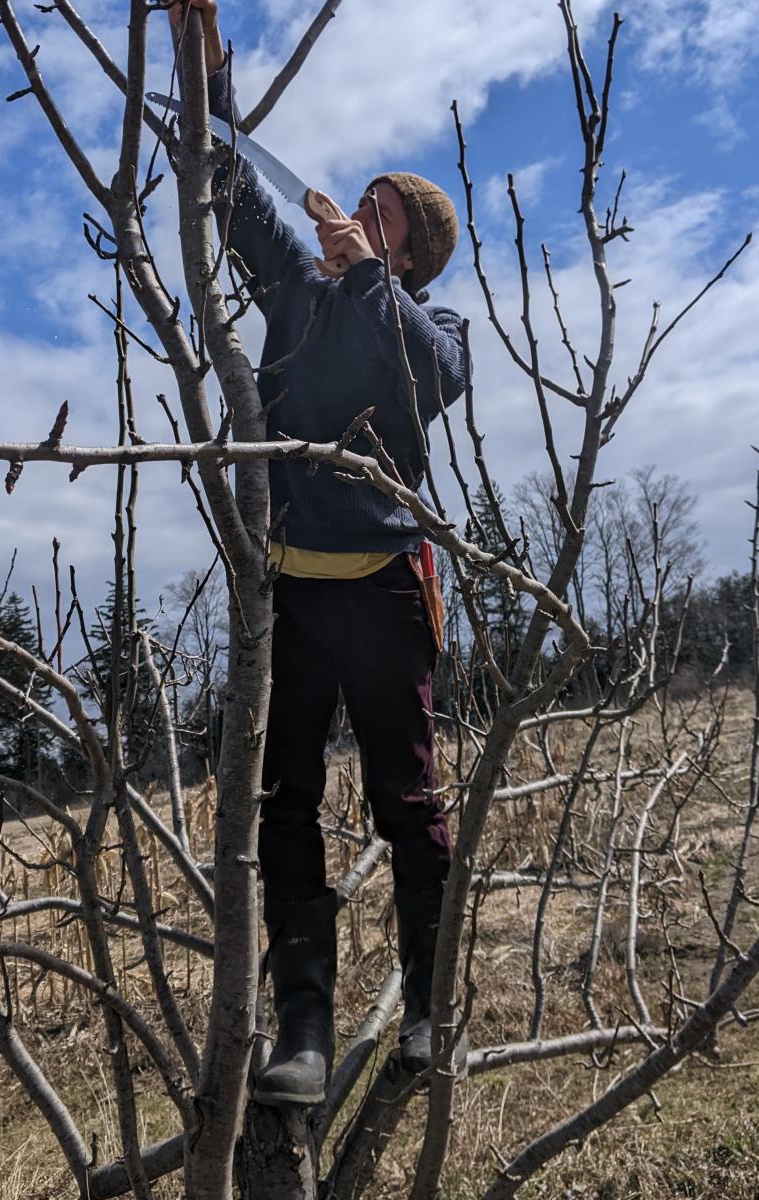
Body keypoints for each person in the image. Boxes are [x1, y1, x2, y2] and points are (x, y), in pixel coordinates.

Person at [169, 0, 467, 1106]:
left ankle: (433, 1009)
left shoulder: (421, 324)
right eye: (362, 206)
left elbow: (436, 377)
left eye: (383, 218)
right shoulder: (296, 289)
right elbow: (231, 187)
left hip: (388, 591)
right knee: (283, 806)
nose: (360, 215)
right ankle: (302, 1030)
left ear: (412, 253)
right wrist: (206, 70)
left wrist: (370, 277)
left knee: (408, 798)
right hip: (287, 593)